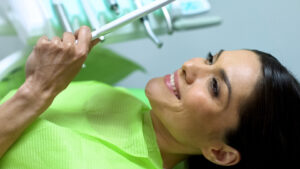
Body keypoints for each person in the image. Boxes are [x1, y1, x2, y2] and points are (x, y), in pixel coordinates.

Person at [0, 26, 299, 169]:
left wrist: (36, 91)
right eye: (210, 59)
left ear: (220, 153)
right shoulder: (143, 105)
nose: (190, 66)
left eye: (215, 87)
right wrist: (34, 79)